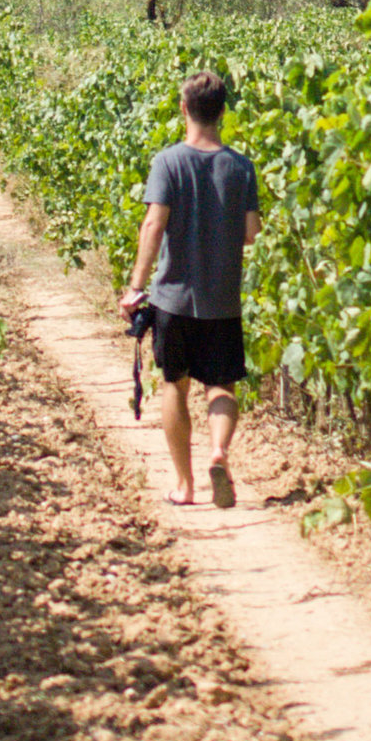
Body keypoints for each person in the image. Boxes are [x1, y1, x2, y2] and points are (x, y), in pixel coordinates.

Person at [121, 67, 259, 509]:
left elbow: (153, 224)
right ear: (222, 113)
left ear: (184, 109)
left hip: (173, 297)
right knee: (220, 387)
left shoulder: (168, 162)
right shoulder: (241, 167)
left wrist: (134, 287)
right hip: (222, 299)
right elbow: (253, 233)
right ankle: (219, 451)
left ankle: (185, 484)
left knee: (174, 385)